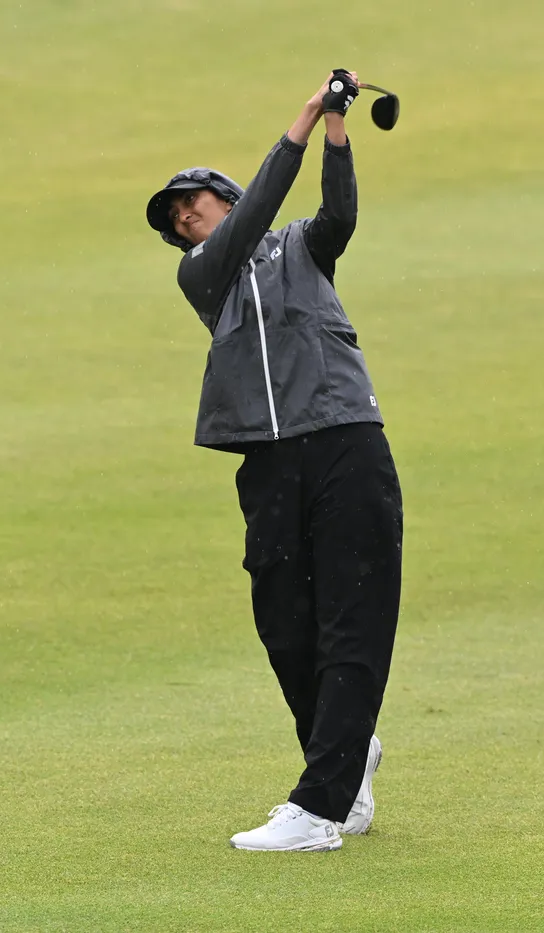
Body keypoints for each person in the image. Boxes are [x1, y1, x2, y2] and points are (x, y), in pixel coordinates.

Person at [144, 71, 404, 852]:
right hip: (267, 460)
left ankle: (321, 807)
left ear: (223, 196)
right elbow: (260, 206)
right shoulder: (203, 273)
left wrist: (335, 127)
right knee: (285, 625)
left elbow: (339, 216)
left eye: (192, 202)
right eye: (176, 219)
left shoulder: (301, 247)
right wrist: (303, 115)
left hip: (345, 436)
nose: (185, 218)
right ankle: (346, 749)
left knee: (352, 618)